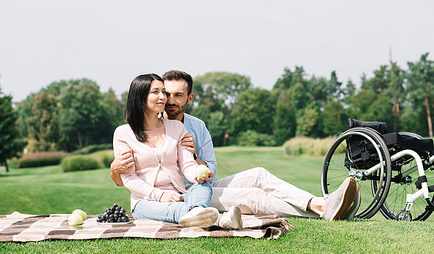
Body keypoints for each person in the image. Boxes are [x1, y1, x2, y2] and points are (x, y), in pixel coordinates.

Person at [111, 71, 360, 221]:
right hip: (177, 195)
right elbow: (126, 175)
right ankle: (322, 206)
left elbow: (208, 170)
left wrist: (195, 157)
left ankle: (321, 205)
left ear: (189, 98)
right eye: (165, 93)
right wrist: (116, 170)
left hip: (197, 185)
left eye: (176, 95)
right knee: (253, 196)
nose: (169, 100)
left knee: (259, 174)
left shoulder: (194, 127)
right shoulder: (135, 128)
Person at [113, 73, 242, 229]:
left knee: (202, 184)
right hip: (145, 201)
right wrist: (160, 195)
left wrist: (198, 173)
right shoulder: (123, 134)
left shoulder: (177, 128)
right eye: (156, 92)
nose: (164, 97)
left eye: (164, 92)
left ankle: (196, 212)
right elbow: (129, 178)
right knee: (175, 209)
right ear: (140, 97)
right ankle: (222, 220)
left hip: (181, 195)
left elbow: (187, 165)